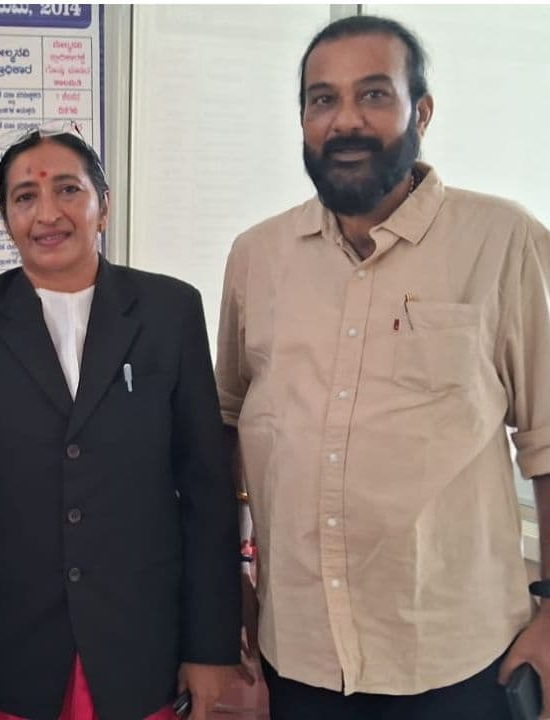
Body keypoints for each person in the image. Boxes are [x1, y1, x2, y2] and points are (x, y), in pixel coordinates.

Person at [217, 15, 550, 719]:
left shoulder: (503, 241)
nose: (345, 120)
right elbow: (227, 426)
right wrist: (230, 571)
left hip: (457, 655)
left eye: (373, 94)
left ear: (420, 112)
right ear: (303, 120)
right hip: (299, 652)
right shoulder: (256, 257)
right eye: (323, 100)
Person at [0, 122, 240, 720]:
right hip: (7, 653)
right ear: (6, 217)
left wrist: (210, 647)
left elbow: (206, 493)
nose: (48, 214)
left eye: (68, 189)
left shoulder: (169, 312)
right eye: (25, 197)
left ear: (103, 206)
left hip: (139, 646)